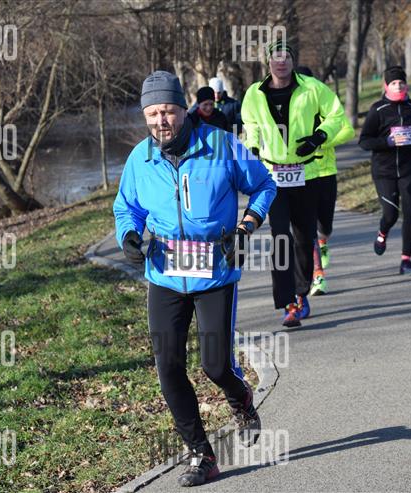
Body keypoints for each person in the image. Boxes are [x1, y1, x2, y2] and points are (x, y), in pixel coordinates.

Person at [113, 70, 276, 487]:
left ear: (182, 109)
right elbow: (126, 207)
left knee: (215, 365)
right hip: (165, 274)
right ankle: (202, 455)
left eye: (167, 111)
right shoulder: (139, 159)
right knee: (168, 368)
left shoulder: (221, 145)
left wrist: (246, 228)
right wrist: (128, 235)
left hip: (215, 272)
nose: (161, 121)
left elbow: (264, 186)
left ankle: (240, 397)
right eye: (152, 114)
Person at [242, 42, 347, 326]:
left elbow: (336, 114)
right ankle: (288, 302)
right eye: (276, 57)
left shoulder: (312, 88)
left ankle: (302, 293)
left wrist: (318, 137)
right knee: (280, 237)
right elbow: (250, 124)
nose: (281, 62)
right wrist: (252, 147)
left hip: (306, 174)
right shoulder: (254, 93)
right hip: (272, 176)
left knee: (303, 238)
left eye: (286, 56)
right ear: (268, 63)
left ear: (292, 60)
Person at [358, 66, 411, 275]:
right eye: (393, 83)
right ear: (386, 86)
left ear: (406, 85)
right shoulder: (378, 109)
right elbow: (364, 141)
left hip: (410, 168)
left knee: (410, 213)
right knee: (390, 214)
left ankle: (406, 260)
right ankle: (382, 233)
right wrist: (386, 142)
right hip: (384, 171)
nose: (398, 86)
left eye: (401, 82)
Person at [293, 66, 356, 296]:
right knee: (306, 227)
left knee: (325, 225)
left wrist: (321, 141)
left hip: (326, 172)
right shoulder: (294, 113)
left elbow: (348, 130)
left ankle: (323, 241)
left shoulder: (325, 108)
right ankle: (318, 275)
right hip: (302, 175)